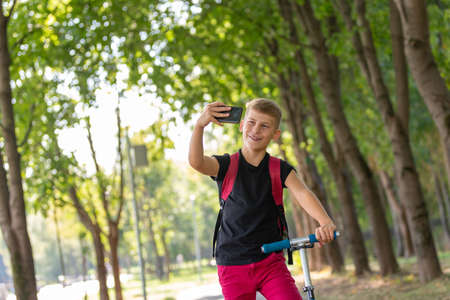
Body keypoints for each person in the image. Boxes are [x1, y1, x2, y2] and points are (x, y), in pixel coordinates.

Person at [188, 98, 336, 300]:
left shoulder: (279, 169)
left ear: (275, 135)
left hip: (270, 262)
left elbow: (303, 193)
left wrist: (325, 222)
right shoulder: (226, 165)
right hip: (232, 263)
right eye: (251, 122)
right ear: (241, 125)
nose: (256, 129)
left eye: (264, 126)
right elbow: (196, 162)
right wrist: (199, 125)